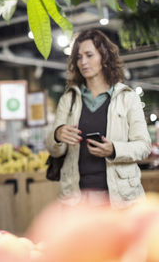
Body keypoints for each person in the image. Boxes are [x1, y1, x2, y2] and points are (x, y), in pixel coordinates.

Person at [46, 29, 151, 208]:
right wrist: (57, 134)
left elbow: (144, 146)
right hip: (77, 200)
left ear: (104, 57)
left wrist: (114, 149)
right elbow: (53, 149)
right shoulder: (69, 98)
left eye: (89, 55)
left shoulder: (127, 97)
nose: (83, 62)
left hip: (120, 199)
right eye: (78, 57)